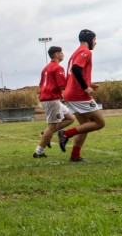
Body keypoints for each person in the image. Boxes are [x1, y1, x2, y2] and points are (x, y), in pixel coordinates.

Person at [57, 30, 105, 162]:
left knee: (84, 126)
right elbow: (76, 69)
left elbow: (73, 74)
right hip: (79, 95)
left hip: (71, 94)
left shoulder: (75, 53)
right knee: (100, 123)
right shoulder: (86, 52)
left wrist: (89, 83)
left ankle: (75, 156)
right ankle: (65, 134)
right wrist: (85, 87)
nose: (95, 42)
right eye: (95, 39)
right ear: (88, 39)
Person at [33, 46, 75, 158]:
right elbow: (62, 85)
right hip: (51, 99)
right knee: (51, 126)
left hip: (50, 98)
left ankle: (47, 132)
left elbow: (40, 85)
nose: (63, 55)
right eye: (61, 53)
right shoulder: (58, 68)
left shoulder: (46, 68)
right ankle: (38, 152)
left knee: (71, 118)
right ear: (56, 54)